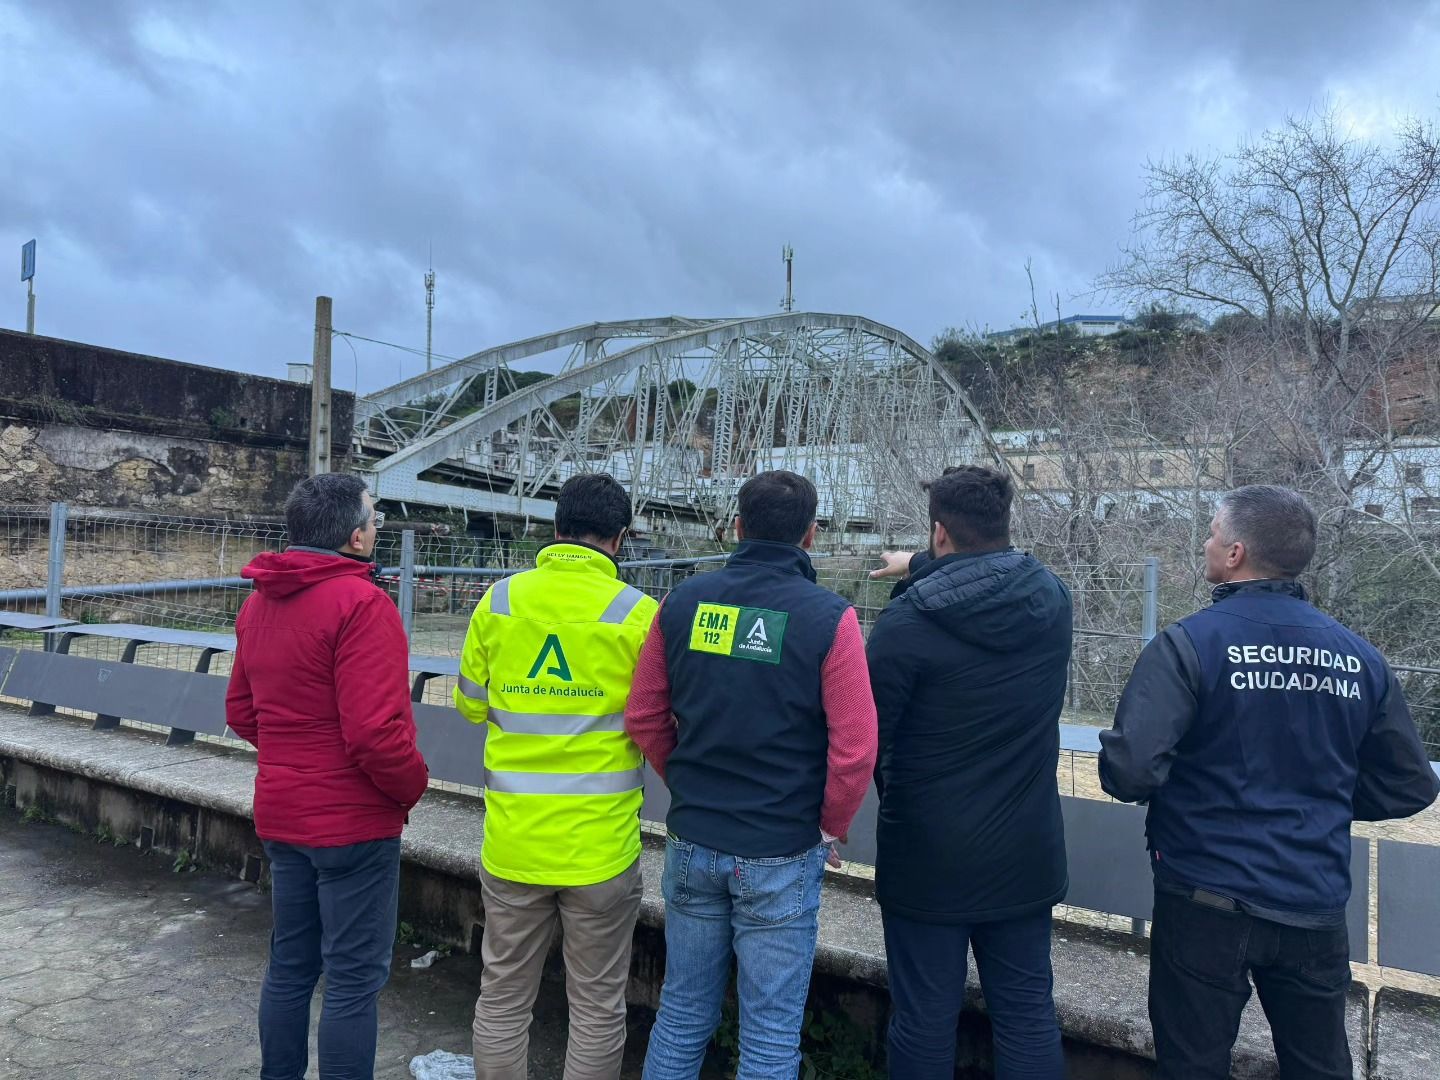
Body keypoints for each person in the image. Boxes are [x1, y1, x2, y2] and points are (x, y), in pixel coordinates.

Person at [1099, 484, 1439, 1080]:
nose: (1205, 541)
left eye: (1211, 532)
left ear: (1234, 554)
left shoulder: (1188, 645)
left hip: (1204, 896)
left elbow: (1128, 770)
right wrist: (1319, 801)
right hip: (1312, 904)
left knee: (1191, 1065)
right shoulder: (1358, 657)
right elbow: (1411, 784)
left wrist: (1199, 794)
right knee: (1319, 1066)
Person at [625, 469, 878, 1080]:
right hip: (780, 848)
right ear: (811, 536)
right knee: (769, 1032)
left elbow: (644, 713)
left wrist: (686, 782)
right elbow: (856, 748)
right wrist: (828, 825)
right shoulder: (831, 618)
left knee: (682, 1012)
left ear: (736, 527)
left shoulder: (681, 602)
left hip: (694, 839)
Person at [865, 465, 1070, 1080]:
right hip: (1026, 849)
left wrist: (920, 571)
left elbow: (870, 742)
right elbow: (982, 586)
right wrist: (926, 565)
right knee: (1028, 1013)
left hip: (927, 855)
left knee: (924, 1018)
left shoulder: (902, 627)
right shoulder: (1052, 601)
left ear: (939, 533)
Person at [453, 472, 658, 1080]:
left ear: (556, 529)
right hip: (601, 851)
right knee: (596, 1005)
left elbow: (468, 702)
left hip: (514, 843)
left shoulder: (501, 601)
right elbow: (656, 719)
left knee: (503, 998)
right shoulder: (640, 614)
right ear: (619, 540)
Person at [226, 472, 429, 1080]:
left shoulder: (260, 600)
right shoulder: (364, 604)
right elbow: (374, 732)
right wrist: (412, 786)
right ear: (356, 537)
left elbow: (240, 712)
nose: (375, 526)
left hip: (282, 815)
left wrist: (294, 756)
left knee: (290, 965)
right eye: (374, 517)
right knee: (352, 978)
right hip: (354, 825)